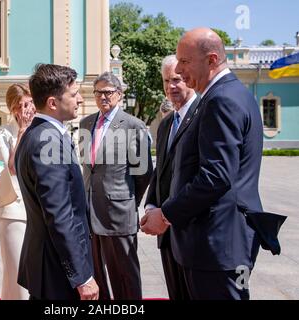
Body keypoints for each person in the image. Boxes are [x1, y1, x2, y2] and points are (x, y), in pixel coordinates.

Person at [141, 28, 264, 300]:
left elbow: (216, 176)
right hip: (216, 244)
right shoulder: (228, 94)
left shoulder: (221, 99)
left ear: (211, 60)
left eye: (185, 62)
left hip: (217, 246)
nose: (181, 70)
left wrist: (166, 214)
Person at [15, 64, 99, 300]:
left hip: (50, 262)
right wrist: (81, 276)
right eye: (73, 94)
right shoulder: (47, 141)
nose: (80, 99)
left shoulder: (39, 133)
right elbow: (60, 215)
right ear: (53, 103)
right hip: (57, 269)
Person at [79, 72, 153, 300]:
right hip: (90, 211)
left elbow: (144, 173)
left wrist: (128, 199)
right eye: (98, 92)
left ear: (119, 95)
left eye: (108, 92)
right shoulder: (86, 123)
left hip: (119, 213)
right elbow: (88, 167)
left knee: (124, 275)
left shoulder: (134, 125)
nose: (103, 97)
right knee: (95, 275)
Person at [143, 55, 199, 300]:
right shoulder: (166, 124)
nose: (170, 87)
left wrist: (167, 215)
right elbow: (161, 170)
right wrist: (151, 204)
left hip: (194, 233)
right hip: (167, 236)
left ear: (189, 78)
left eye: (176, 80)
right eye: (166, 81)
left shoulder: (204, 114)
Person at [0, 83, 35, 300]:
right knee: (17, 274)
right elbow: (11, 167)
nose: (29, 109)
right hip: (14, 211)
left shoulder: (41, 129)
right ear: (13, 108)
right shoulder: (3, 132)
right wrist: (22, 133)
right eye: (23, 105)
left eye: (31, 103)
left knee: (36, 276)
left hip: (38, 210)